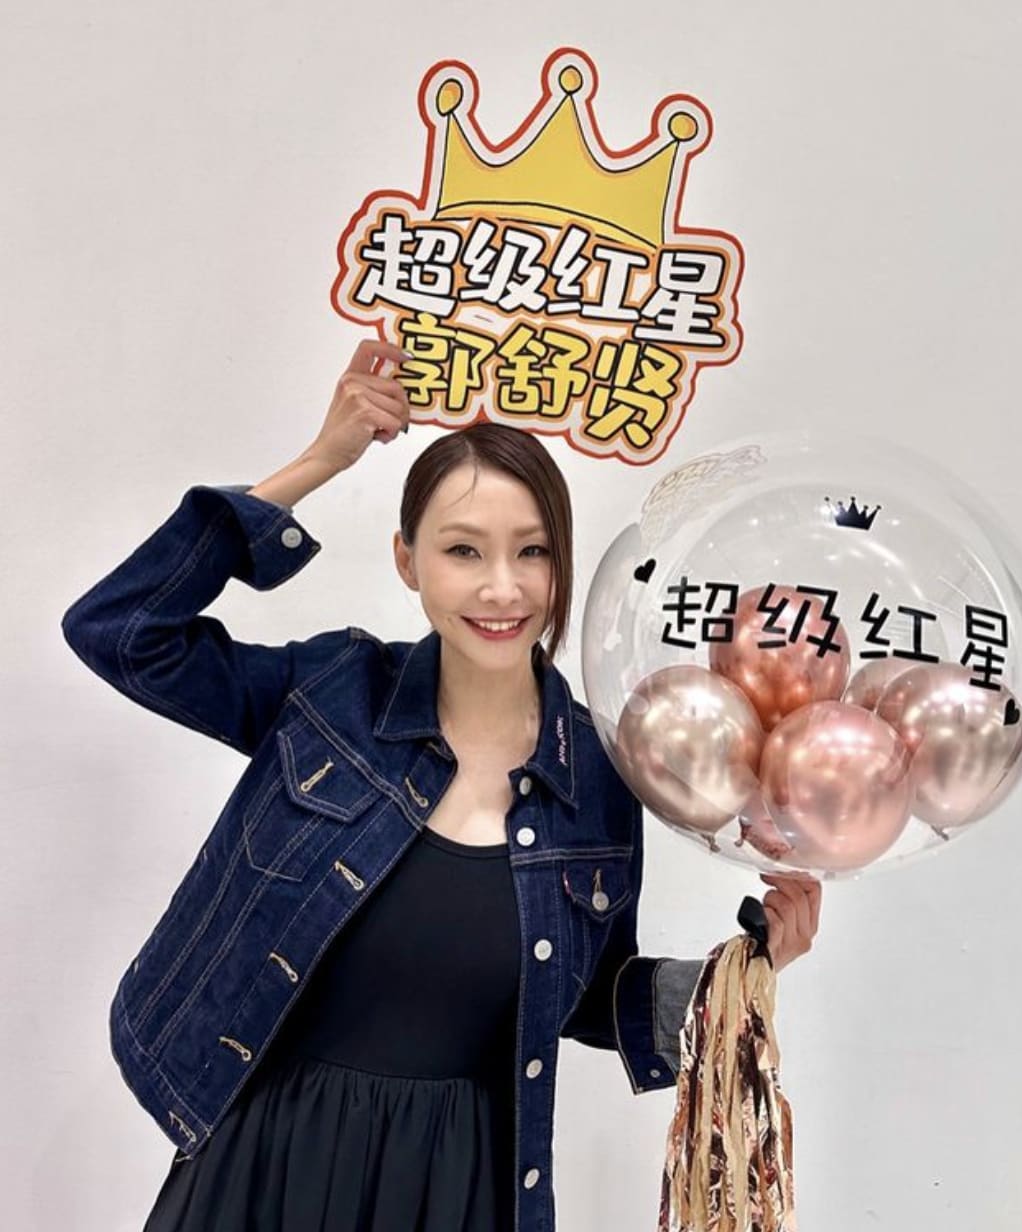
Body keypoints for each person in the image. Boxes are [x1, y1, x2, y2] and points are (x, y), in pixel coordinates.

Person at [61, 339, 821, 1231]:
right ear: (406, 560)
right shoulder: (331, 695)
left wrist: (742, 973)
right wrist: (321, 460)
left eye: (531, 552)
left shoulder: (599, 771)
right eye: (464, 550)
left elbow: (584, 994)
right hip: (268, 1157)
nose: (502, 588)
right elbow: (120, 630)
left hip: (461, 1182)